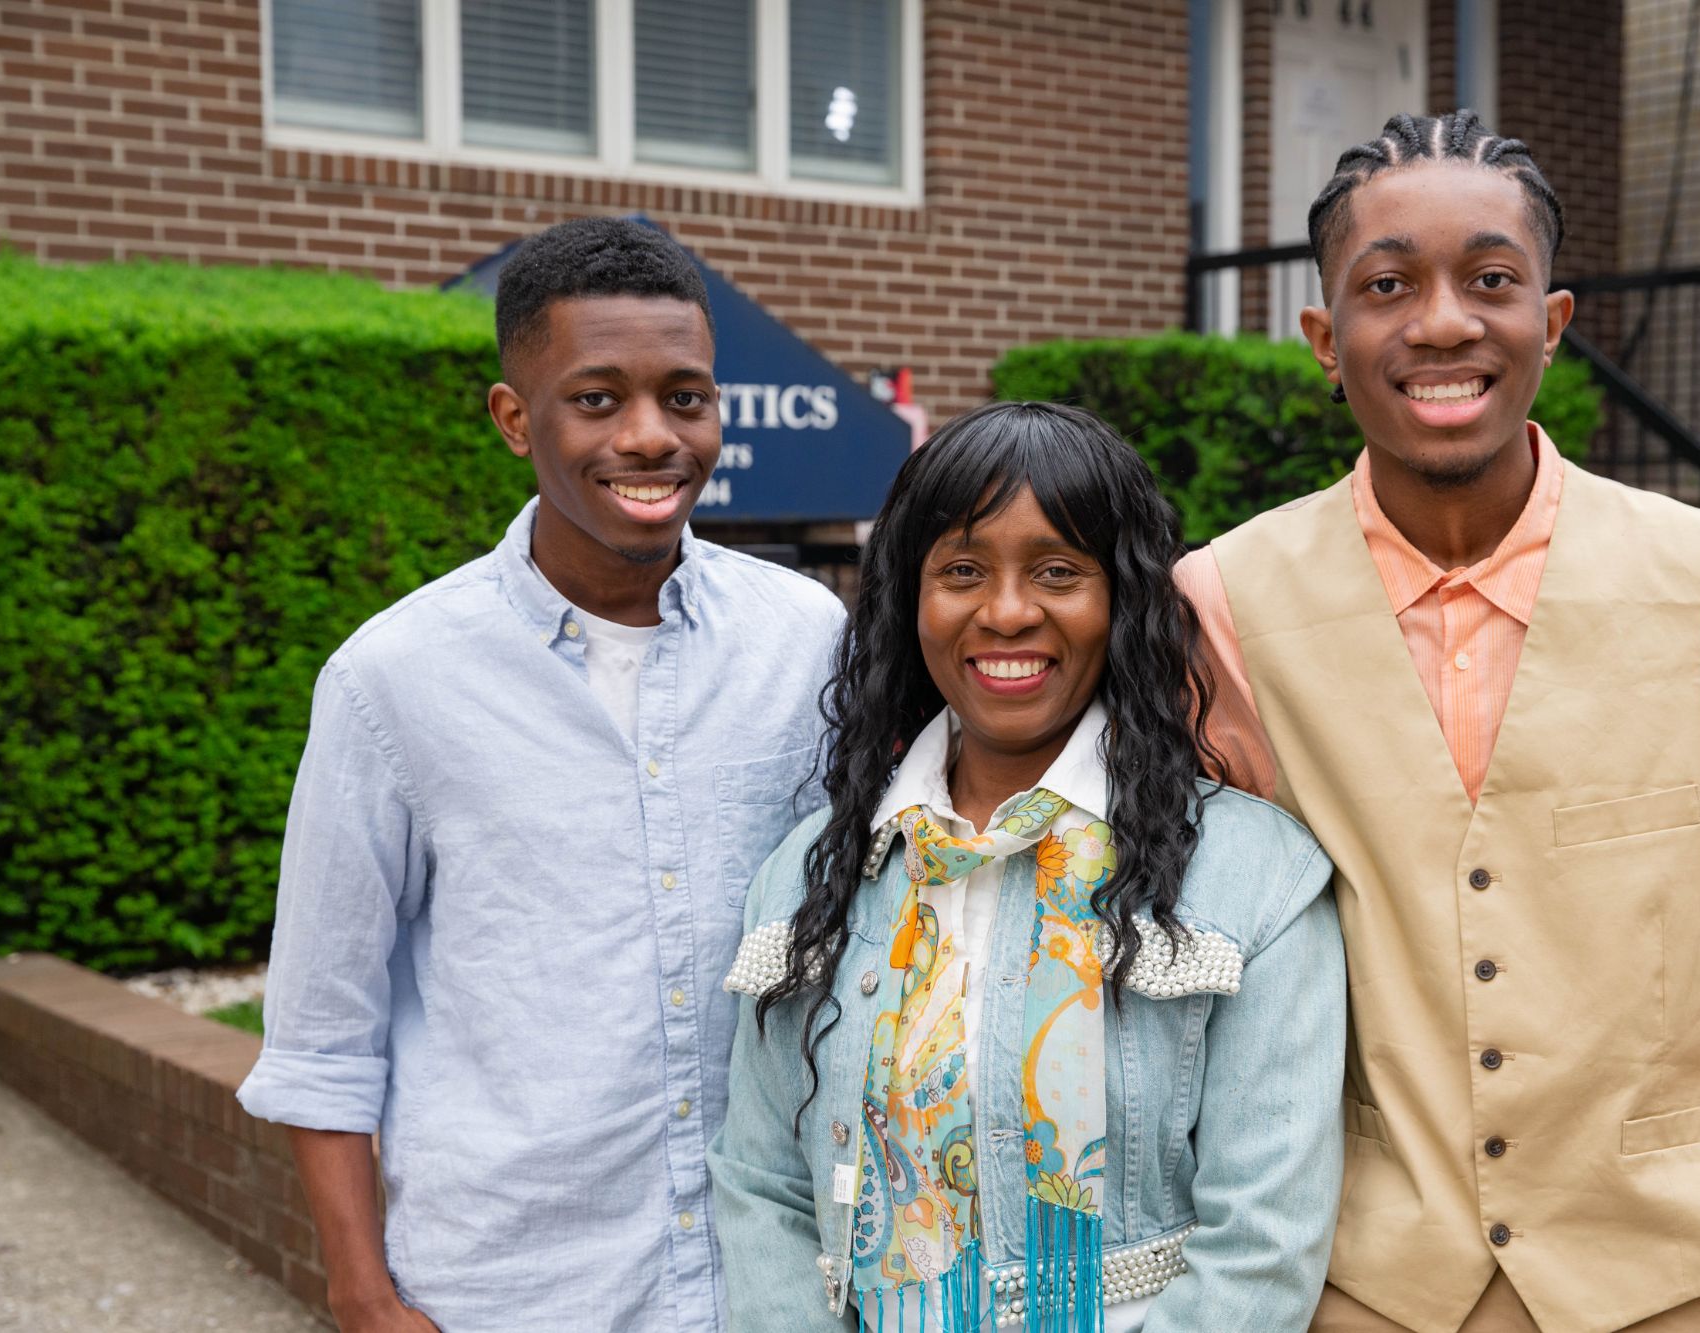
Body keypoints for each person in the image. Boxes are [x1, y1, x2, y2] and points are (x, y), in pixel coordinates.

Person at [1176, 110, 1700, 1333]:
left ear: (1551, 325)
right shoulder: (1220, 608)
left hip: (1686, 1289)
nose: (1443, 321)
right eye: (1388, 284)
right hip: (1357, 1290)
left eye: (1491, 279)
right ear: (1323, 337)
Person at [237, 216, 846, 1332]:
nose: (653, 436)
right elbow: (325, 1033)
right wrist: (363, 1296)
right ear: (515, 419)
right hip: (510, 1289)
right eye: (598, 398)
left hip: (765, 1284)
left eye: (687, 396)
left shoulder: (805, 638)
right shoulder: (391, 682)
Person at [708, 402, 1345, 1331]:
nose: (1006, 612)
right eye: (962, 570)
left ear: (1121, 599)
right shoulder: (814, 873)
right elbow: (762, 1187)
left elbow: (1263, 1243)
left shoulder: (1253, 878)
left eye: (1058, 571)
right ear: (909, 599)